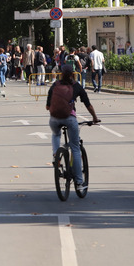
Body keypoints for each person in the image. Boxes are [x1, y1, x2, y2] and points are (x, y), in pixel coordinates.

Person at [45, 65, 100, 193]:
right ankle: (80, 182)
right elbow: (88, 105)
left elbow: (47, 107)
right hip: (70, 119)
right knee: (75, 148)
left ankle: (56, 156)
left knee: (56, 134)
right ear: (73, 74)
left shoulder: (55, 85)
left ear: (61, 74)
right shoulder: (76, 86)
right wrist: (95, 118)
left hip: (54, 119)